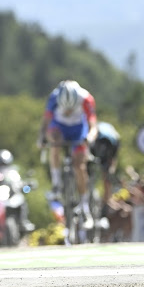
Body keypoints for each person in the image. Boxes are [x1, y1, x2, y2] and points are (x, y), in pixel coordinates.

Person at [39, 80, 98, 223]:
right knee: (54, 143)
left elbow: (93, 126)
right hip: (59, 127)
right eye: (65, 109)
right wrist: (41, 138)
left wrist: (89, 138)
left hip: (78, 129)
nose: (67, 112)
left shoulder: (86, 99)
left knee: (79, 165)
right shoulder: (54, 97)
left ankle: (84, 204)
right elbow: (46, 121)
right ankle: (57, 183)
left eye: (71, 109)